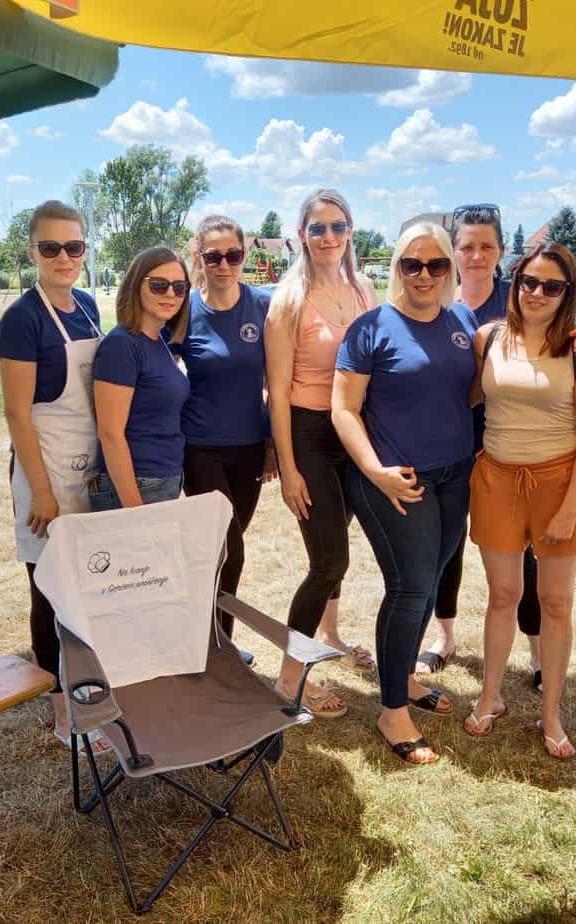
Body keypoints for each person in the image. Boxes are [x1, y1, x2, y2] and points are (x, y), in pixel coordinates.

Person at [422, 207, 576, 688]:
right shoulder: (436, 299)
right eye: (466, 247)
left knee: (530, 559)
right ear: (452, 253)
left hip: (522, 450)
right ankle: (444, 634)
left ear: (502, 253)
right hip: (459, 445)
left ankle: (539, 650)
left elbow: (562, 334)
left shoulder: (521, 298)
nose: (475, 255)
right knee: (449, 547)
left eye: (486, 246)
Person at [332, 222, 476, 765]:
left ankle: (408, 680)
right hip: (396, 480)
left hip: (454, 475)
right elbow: (343, 409)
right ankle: (392, 712)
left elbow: (473, 385)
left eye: (436, 265)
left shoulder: (461, 321)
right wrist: (376, 472)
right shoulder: (370, 328)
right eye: (411, 264)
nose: (423, 275)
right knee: (410, 586)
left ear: (449, 270)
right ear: (396, 268)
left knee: (432, 579)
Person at [465, 242, 576, 760]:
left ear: (568, 293)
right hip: (497, 479)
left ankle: (551, 713)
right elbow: (466, 397)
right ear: (515, 282)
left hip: (558, 483)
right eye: (529, 281)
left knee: (556, 602)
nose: (537, 293)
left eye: (552, 286)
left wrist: (569, 510)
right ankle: (490, 696)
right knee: (502, 595)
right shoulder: (488, 338)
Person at [0, 200, 107, 752]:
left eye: (74, 246)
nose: (64, 257)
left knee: (87, 589)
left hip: (89, 470)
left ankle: (91, 693)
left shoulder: (88, 306)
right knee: (49, 592)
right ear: (32, 251)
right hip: (46, 473)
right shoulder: (22, 320)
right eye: (51, 247)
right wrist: (41, 491)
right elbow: (17, 414)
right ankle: (63, 712)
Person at [265, 189, 377, 719]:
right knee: (329, 559)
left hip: (353, 433)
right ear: (301, 235)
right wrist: (288, 468)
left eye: (337, 226)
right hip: (309, 434)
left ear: (350, 231)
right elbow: (277, 391)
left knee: (338, 547)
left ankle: (329, 635)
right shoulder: (289, 299)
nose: (328, 237)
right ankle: (289, 680)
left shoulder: (363, 289)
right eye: (318, 228)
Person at [175, 215, 273, 643]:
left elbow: (277, 382)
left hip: (250, 448)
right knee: (229, 550)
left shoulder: (263, 306)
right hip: (200, 449)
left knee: (221, 553)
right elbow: (157, 368)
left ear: (244, 254)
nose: (224, 265)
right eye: (213, 257)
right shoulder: (184, 309)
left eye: (233, 255)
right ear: (199, 258)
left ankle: (208, 640)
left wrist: (272, 445)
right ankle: (219, 648)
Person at [90, 246, 191, 510]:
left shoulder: (158, 342)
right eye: (159, 285)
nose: (171, 294)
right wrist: (135, 508)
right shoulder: (122, 345)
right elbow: (110, 433)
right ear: (136, 286)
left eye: (180, 287)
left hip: (162, 480)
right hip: (136, 486)